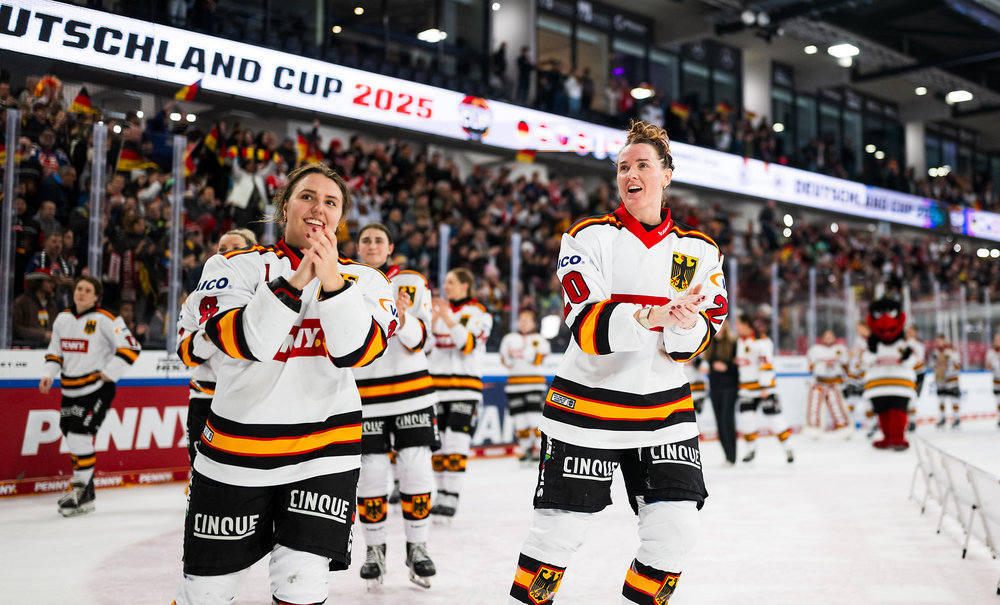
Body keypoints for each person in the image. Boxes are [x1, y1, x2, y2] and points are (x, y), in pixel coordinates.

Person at [508, 121, 728, 605]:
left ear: (666, 174)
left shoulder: (701, 250)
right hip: (585, 408)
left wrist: (683, 320)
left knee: (676, 532)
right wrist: (652, 314)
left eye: (642, 165)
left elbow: (693, 343)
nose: (631, 173)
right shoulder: (587, 238)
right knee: (556, 536)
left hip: (664, 413)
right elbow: (586, 327)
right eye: (623, 167)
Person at [172, 164, 397, 605]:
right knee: (206, 589)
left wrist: (330, 278)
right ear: (285, 206)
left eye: (331, 202)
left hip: (324, 451)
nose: (318, 209)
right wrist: (299, 280)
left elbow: (357, 350)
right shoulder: (232, 265)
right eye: (307, 197)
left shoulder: (368, 280)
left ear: (340, 217)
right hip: (235, 451)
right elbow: (247, 341)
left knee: (303, 582)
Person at [352, 222, 440, 589]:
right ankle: (374, 551)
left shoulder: (412, 283)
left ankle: (417, 547)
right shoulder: (346, 281)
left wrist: (403, 319)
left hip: (413, 393)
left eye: (378, 240)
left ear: (390, 249)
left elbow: (424, 339)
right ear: (358, 248)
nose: (372, 245)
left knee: (416, 469)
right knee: (370, 474)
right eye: (365, 240)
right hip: (364, 396)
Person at [39, 276, 141, 516]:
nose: (81, 293)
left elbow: (131, 347)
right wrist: (48, 373)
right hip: (69, 390)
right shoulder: (63, 319)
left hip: (96, 389)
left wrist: (108, 372)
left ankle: (81, 489)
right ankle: (86, 491)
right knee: (71, 435)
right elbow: (55, 352)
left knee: (79, 435)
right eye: (78, 289)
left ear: (96, 296)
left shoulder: (107, 319)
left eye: (87, 290)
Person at [175, 229, 258, 464]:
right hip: (205, 397)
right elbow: (186, 356)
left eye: (236, 248)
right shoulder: (195, 299)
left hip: (251, 397)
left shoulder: (266, 295)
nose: (228, 254)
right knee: (201, 472)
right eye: (222, 249)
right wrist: (214, 333)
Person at [427, 267, 493, 521]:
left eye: (452, 282)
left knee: (456, 440)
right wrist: (433, 323)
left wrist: (448, 318)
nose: (446, 287)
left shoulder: (478, 314)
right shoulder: (438, 314)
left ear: (466, 285)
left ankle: (451, 494)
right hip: (436, 388)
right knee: (438, 444)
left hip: (465, 388)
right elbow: (427, 349)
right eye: (445, 282)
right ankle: (441, 492)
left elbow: (467, 345)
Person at [736, 315, 793, 464]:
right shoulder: (739, 342)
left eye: (738, 324)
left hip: (764, 389)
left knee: (775, 420)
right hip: (746, 389)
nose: (736, 327)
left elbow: (765, 364)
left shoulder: (761, 342)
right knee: (747, 420)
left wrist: (765, 386)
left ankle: (788, 448)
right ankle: (751, 450)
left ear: (747, 325)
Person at [861, 298, 916, 450]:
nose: (885, 320)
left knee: (898, 412)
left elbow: (911, 362)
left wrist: (906, 355)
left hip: (899, 384)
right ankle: (887, 437)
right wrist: (871, 351)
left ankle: (898, 437)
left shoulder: (903, 342)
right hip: (878, 386)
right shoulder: (872, 343)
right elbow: (866, 360)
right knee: (883, 412)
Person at [499, 308, 551, 463]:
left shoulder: (540, 339)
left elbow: (538, 360)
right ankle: (525, 448)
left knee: (533, 418)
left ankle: (538, 447)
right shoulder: (509, 338)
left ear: (533, 323)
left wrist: (527, 352)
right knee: (519, 419)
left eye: (527, 320)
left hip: (534, 384)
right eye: (521, 319)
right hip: (514, 385)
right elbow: (504, 361)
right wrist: (510, 357)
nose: (523, 323)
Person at [804, 329, 850, 438]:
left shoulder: (840, 349)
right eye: (826, 336)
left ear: (834, 338)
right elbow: (810, 366)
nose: (829, 338)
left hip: (834, 384)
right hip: (819, 383)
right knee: (814, 407)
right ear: (823, 338)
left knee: (838, 407)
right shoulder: (815, 349)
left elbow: (846, 366)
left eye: (831, 336)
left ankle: (844, 429)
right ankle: (813, 430)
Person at [704, 322, 738, 466]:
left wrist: (727, 367)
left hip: (730, 387)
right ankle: (727, 456)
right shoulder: (709, 342)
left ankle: (731, 456)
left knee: (727, 421)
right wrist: (706, 366)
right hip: (715, 387)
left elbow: (737, 367)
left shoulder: (733, 343)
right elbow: (704, 362)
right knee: (719, 422)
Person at [12, 269, 60, 348]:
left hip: (48, 346)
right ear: (38, 282)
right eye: (48, 281)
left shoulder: (52, 304)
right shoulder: (22, 301)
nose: (52, 285)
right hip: (26, 347)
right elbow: (17, 329)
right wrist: (43, 335)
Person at [931, 333, 962, 429]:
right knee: (941, 399)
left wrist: (949, 366)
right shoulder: (935, 352)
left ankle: (956, 418)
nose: (937, 343)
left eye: (939, 340)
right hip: (941, 379)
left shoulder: (951, 351)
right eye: (936, 341)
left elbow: (958, 365)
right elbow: (933, 365)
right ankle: (942, 418)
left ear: (943, 340)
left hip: (951, 379)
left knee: (954, 399)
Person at [904, 325, 926, 432]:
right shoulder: (904, 344)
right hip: (906, 374)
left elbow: (918, 359)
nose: (909, 334)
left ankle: (912, 421)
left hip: (917, 374)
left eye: (911, 331)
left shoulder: (919, 345)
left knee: (912, 398)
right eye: (908, 332)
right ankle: (907, 421)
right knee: (906, 398)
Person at [986, 333, 1000, 429]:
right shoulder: (991, 352)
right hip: (997, 380)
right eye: (995, 340)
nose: (996, 342)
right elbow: (987, 367)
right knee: (998, 401)